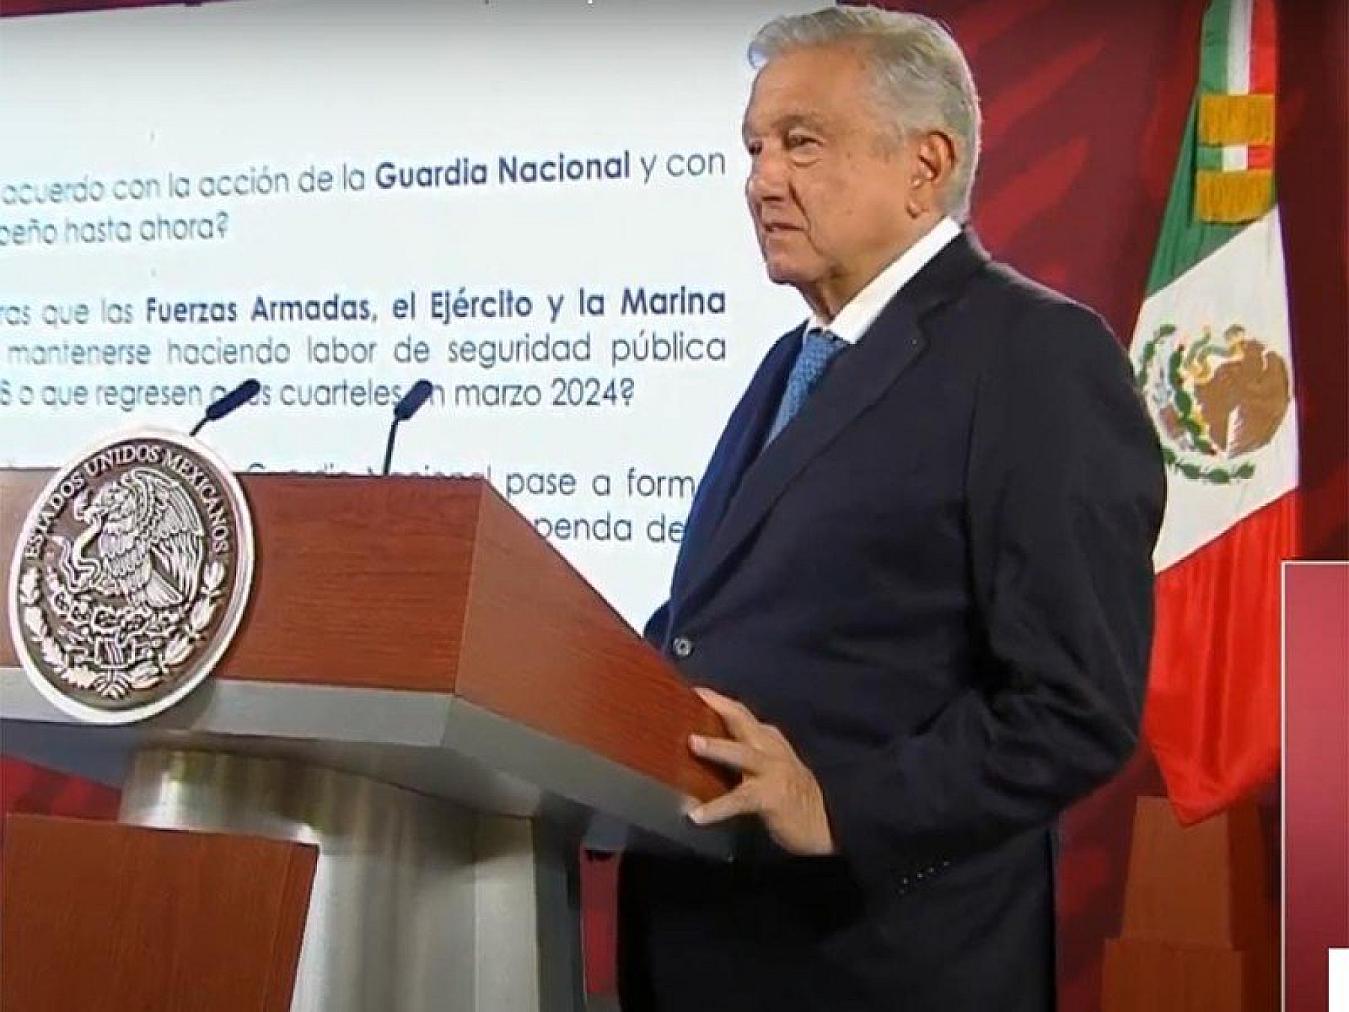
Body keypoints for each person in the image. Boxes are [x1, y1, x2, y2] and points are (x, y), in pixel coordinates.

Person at [617, 7, 1166, 1012]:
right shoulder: (792, 361)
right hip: (709, 945)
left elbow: (1072, 706)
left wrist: (838, 806)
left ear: (925, 167)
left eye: (800, 143)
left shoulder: (1034, 357)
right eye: (753, 148)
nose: (760, 180)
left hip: (882, 965)